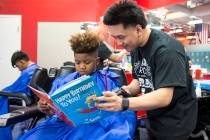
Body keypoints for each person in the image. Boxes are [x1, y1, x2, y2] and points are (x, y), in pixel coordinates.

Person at [95, 1, 197, 140]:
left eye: (121, 37)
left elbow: (164, 96)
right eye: (115, 38)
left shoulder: (167, 50)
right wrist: (123, 92)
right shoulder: (135, 46)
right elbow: (140, 79)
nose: (118, 43)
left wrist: (123, 103)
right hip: (154, 117)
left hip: (175, 122)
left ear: (138, 29)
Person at [18, 31, 136, 140]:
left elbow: (116, 113)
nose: (82, 66)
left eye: (87, 62)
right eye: (77, 62)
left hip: (96, 124)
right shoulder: (63, 81)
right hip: (64, 125)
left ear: (97, 61)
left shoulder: (107, 81)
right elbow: (52, 110)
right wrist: (44, 106)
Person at [0, 51, 39, 140]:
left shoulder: (27, 73)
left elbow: (15, 88)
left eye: (18, 66)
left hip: (24, 100)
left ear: (22, 61)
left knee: (2, 96)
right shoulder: (36, 68)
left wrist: (3, 92)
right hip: (30, 100)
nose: (18, 69)